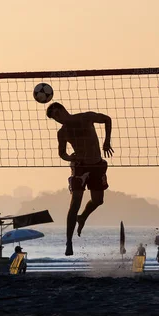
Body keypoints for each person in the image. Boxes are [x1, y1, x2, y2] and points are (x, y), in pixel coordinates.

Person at [46, 103, 114, 256]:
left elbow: (107, 119)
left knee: (98, 200)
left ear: (64, 110)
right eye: (54, 118)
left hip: (97, 164)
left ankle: (82, 217)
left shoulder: (86, 117)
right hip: (80, 166)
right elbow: (62, 153)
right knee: (75, 202)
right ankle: (69, 242)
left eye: (57, 114)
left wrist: (107, 141)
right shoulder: (62, 132)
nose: (57, 119)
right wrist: (69, 157)